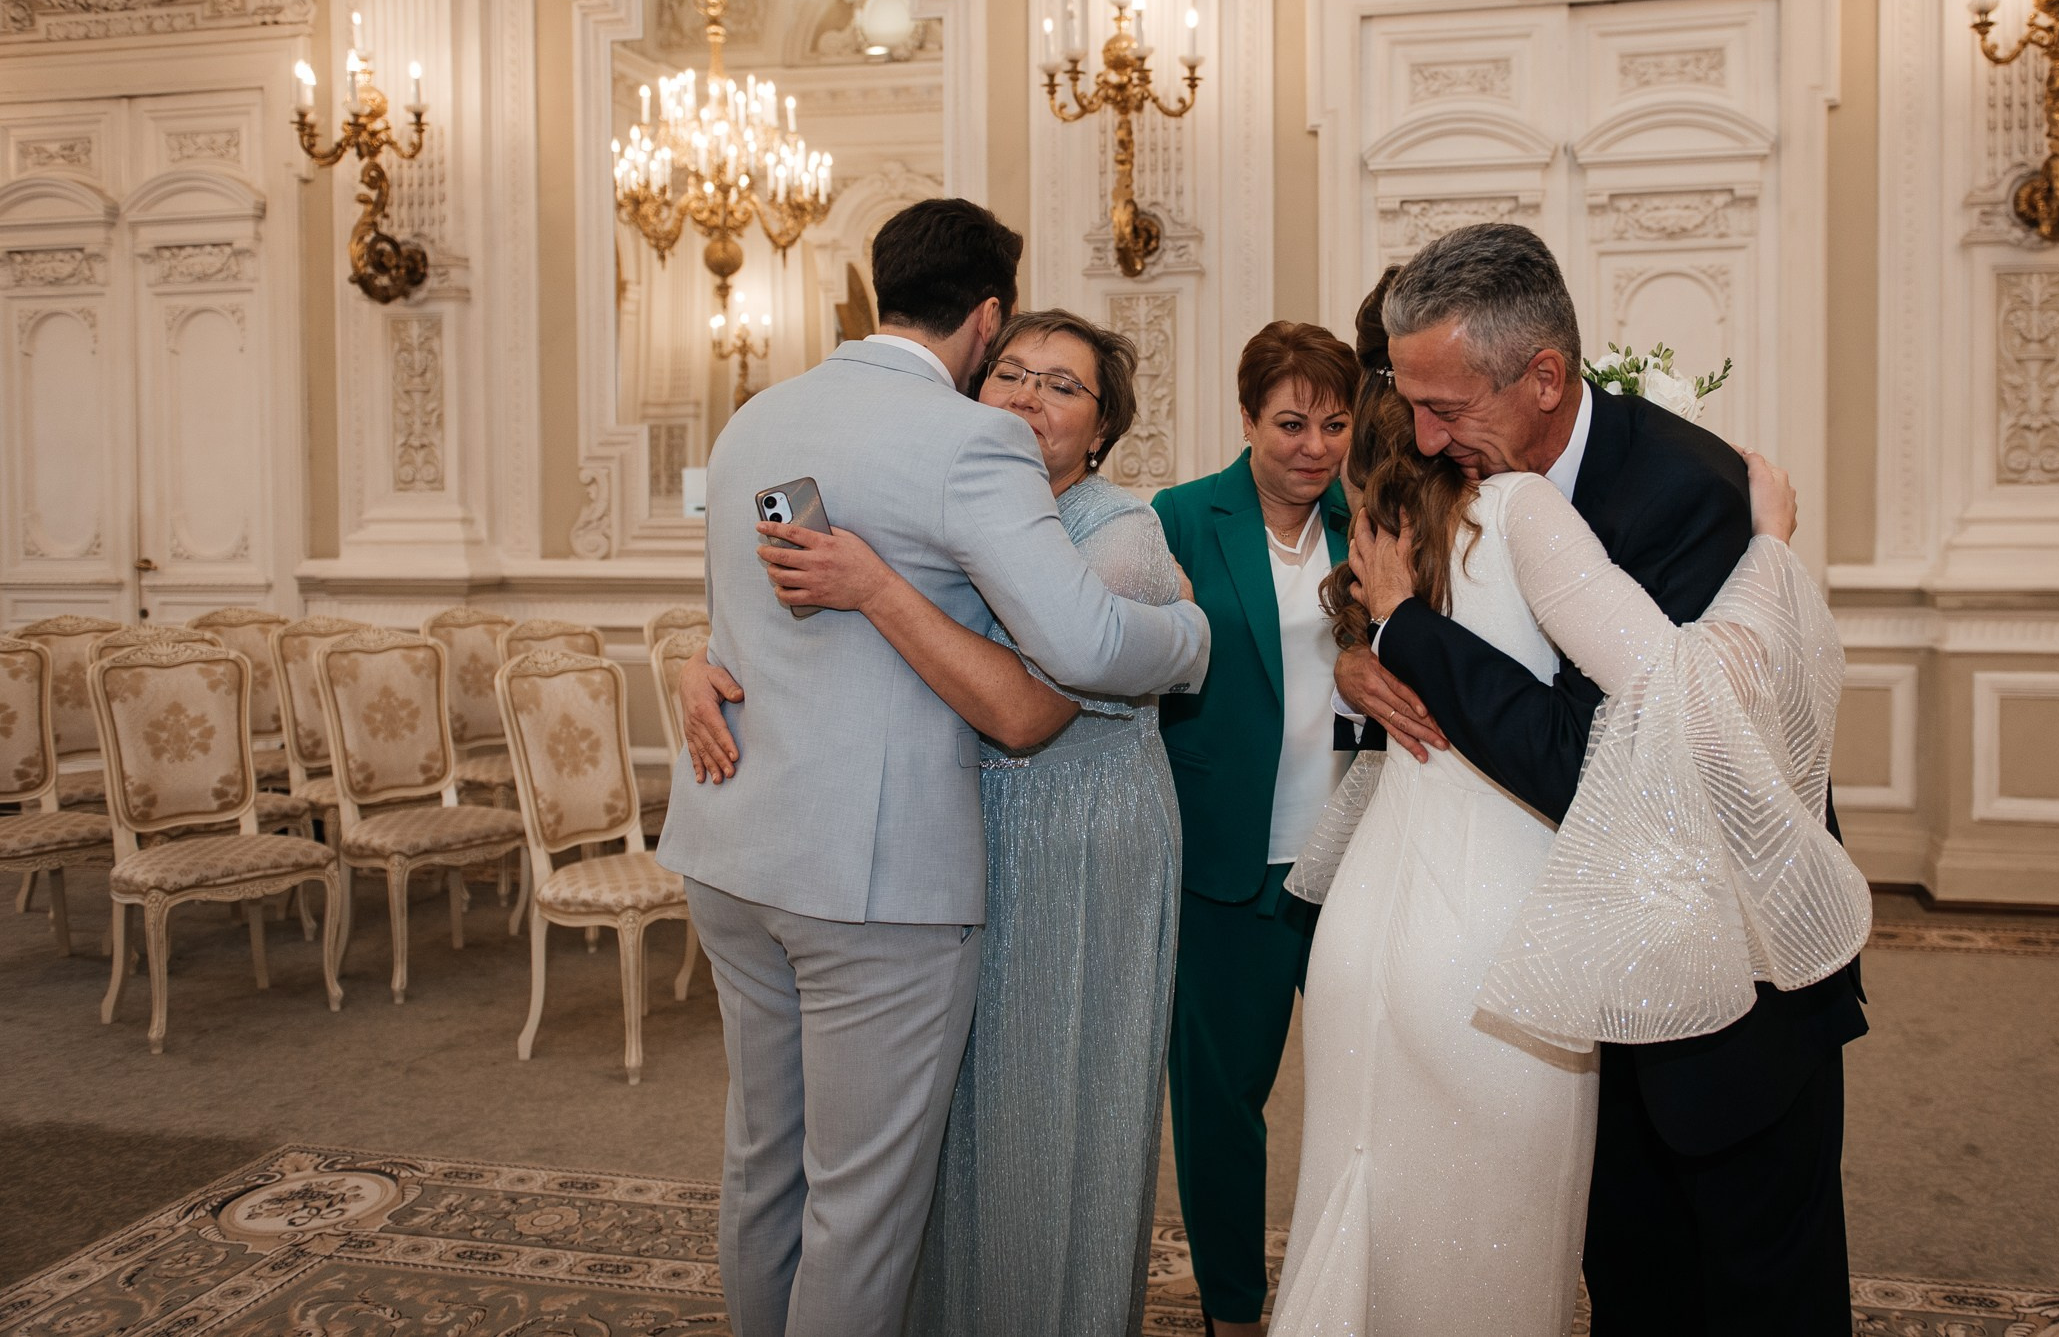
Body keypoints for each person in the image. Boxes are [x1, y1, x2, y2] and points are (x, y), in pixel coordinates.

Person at [658, 200, 1210, 1337]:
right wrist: (1196, 643)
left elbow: (740, 612)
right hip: (871, 879)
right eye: (1014, 366)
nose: (1026, 398)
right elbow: (1085, 648)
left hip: (732, 849)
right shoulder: (971, 444)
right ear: (986, 318)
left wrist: (684, 653)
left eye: (1062, 387)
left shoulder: (759, 414)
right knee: (860, 1207)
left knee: (766, 1162)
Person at [1328, 221, 1869, 1336]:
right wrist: (1363, 651)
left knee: (1764, 1293)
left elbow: (1603, 765)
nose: (1422, 438)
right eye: (1410, 400)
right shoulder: (1486, 480)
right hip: (1588, 984)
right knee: (1634, 1286)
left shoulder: (1687, 496)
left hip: (1731, 996)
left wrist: (1408, 638)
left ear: (1545, 377)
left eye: (1447, 407)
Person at [1148, 321, 1364, 1337]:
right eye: (1289, 422)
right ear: (1246, 421)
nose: (1313, 446)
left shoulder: (1373, 520)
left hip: (1357, 854)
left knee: (1371, 1091)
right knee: (1222, 1104)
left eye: (1333, 422)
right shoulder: (1183, 519)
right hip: (1230, 860)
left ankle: (1347, 1292)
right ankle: (1234, 1310)